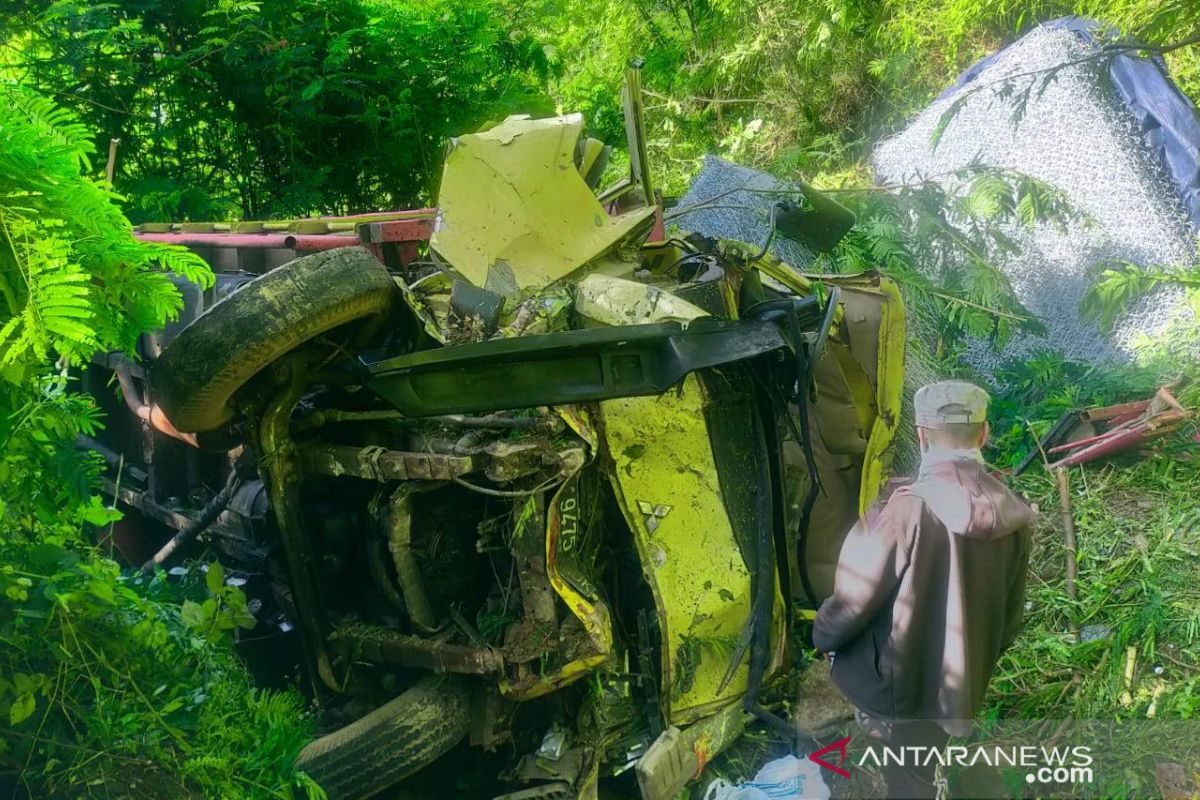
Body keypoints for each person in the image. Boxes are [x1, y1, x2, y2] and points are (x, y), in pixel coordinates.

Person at [812, 380, 1033, 799]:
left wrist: (822, 634)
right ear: (983, 434)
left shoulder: (908, 510)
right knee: (921, 766)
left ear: (921, 434)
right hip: (957, 689)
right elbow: (1008, 623)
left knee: (908, 781)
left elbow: (854, 599)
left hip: (899, 690)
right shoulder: (1014, 516)